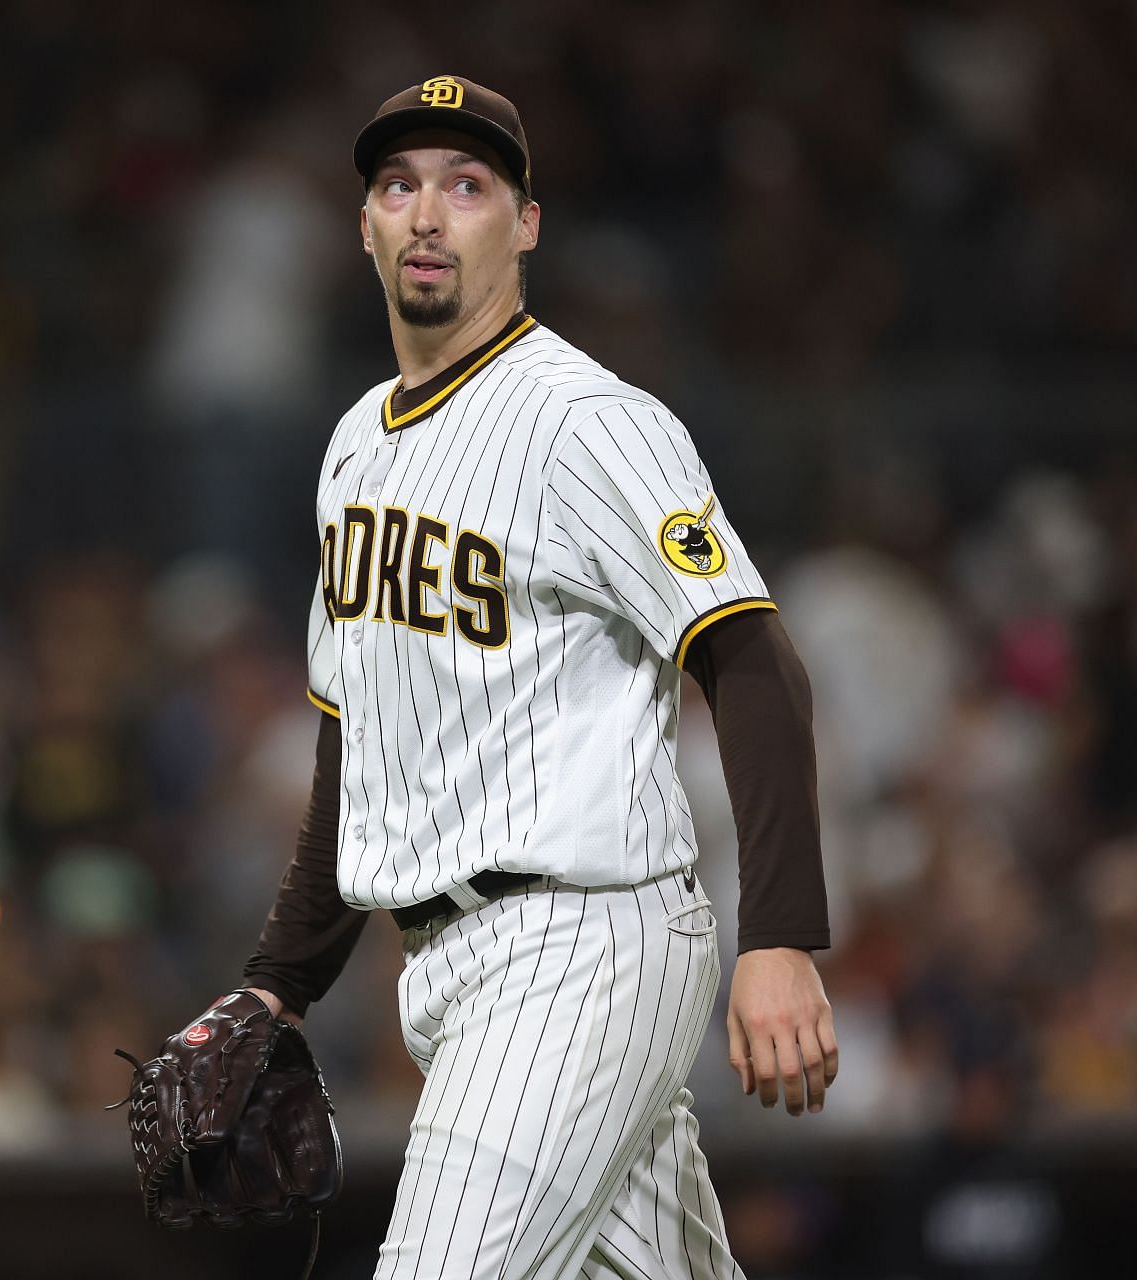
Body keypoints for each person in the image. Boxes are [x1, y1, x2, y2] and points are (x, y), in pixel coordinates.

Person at [228, 76, 838, 1278]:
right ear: (363, 225)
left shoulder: (589, 421)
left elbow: (753, 661)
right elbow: (361, 744)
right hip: (453, 969)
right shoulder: (354, 445)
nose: (427, 214)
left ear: (526, 224)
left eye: (467, 186)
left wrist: (782, 935)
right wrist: (275, 987)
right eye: (399, 186)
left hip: (584, 943)